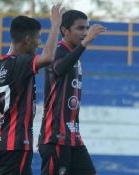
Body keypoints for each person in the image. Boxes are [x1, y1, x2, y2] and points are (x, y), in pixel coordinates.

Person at [0, 4, 63, 174]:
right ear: (27, 40)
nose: (40, 43)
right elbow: (48, 57)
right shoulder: (21, 62)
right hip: (17, 146)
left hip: (0, 146)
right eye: (38, 38)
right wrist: (56, 25)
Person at [37, 10, 106, 175]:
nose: (85, 33)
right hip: (55, 136)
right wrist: (85, 43)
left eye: (87, 28)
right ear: (64, 31)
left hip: (72, 136)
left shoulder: (74, 55)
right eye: (80, 28)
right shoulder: (58, 50)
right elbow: (60, 68)